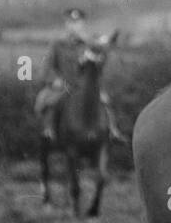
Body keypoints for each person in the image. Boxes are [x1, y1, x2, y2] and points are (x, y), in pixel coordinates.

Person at [35, 8, 121, 140]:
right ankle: (49, 130)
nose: (74, 26)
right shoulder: (57, 44)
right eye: (70, 23)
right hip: (65, 85)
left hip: (87, 86)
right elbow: (47, 68)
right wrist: (55, 80)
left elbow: (101, 64)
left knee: (105, 102)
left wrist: (99, 58)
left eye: (77, 23)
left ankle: (112, 130)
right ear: (66, 24)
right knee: (50, 101)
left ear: (82, 24)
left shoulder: (91, 43)